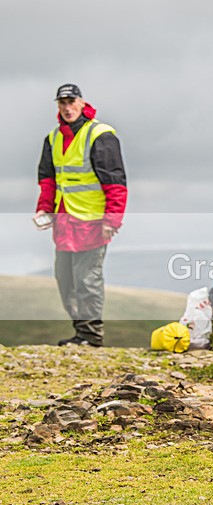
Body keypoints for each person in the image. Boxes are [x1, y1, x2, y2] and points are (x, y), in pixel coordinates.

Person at [34, 84, 127, 347]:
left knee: (88, 280)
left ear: (82, 103)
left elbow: (116, 183)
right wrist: (44, 209)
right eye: (62, 103)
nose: (66, 107)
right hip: (64, 222)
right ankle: (80, 332)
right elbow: (48, 180)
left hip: (93, 223)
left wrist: (112, 220)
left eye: (71, 101)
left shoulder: (100, 135)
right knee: (65, 280)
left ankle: (91, 336)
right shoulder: (53, 139)